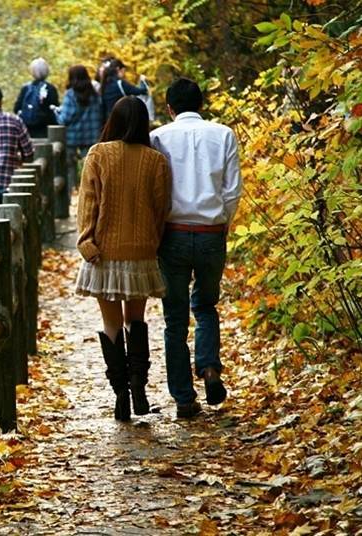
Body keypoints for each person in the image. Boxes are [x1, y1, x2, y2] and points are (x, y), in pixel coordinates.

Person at [75, 96, 172, 422]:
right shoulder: (155, 160)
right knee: (137, 320)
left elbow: (88, 203)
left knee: (112, 323)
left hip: (104, 252)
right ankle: (138, 387)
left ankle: (120, 395)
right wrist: (152, 242)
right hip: (141, 252)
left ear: (113, 121)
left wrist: (86, 241)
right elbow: (162, 209)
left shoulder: (98, 155)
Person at [150, 78, 242, 419]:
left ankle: (184, 399)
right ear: (201, 104)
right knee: (205, 305)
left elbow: (154, 189)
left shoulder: (157, 137)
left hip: (172, 234)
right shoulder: (224, 134)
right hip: (210, 233)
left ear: (170, 108)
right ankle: (209, 368)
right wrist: (222, 222)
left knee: (174, 319)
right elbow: (232, 191)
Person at [54, 65, 103, 194]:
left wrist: (56, 113)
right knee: (91, 166)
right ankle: (90, 192)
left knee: (69, 166)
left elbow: (65, 118)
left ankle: (72, 191)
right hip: (92, 136)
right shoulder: (95, 93)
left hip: (72, 137)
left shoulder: (71, 95)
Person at [14, 58, 60, 138]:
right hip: (46, 129)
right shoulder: (50, 88)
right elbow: (55, 108)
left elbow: (16, 108)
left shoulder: (26, 88)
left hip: (28, 128)